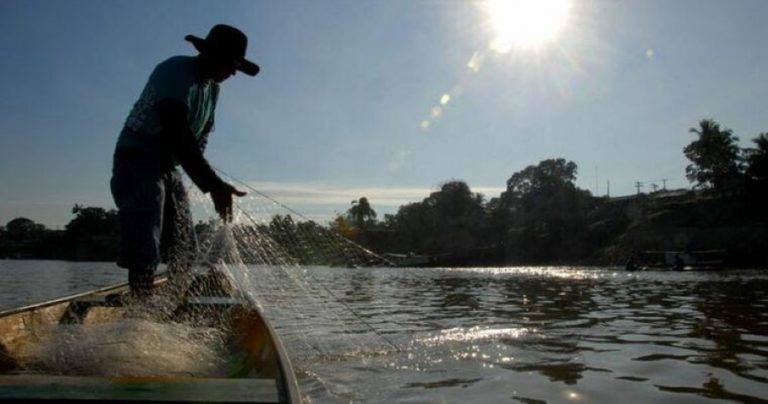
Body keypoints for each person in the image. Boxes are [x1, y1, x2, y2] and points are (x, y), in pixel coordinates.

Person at [111, 24, 257, 297]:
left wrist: (210, 183)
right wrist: (213, 184)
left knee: (184, 246)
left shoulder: (212, 89)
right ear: (211, 55)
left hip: (169, 166)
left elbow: (197, 141)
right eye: (231, 64)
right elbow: (177, 132)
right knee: (145, 235)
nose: (233, 72)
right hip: (137, 158)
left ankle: (174, 302)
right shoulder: (176, 71)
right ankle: (140, 312)